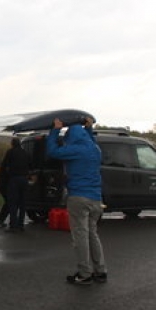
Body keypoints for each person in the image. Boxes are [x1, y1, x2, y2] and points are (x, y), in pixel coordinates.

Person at [46, 117, 107, 285]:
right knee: (92, 234)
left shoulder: (75, 149)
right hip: (96, 198)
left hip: (79, 197)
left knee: (80, 236)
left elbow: (53, 152)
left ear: (71, 136)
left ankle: (84, 274)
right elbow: (90, 139)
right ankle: (100, 271)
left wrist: (55, 130)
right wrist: (88, 128)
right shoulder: (95, 149)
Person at [0, 137, 31, 232]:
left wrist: (4, 178)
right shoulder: (26, 153)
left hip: (14, 180)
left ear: (12, 144)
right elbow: (31, 166)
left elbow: (4, 165)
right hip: (24, 180)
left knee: (13, 203)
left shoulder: (10, 152)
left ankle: (13, 225)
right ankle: (21, 225)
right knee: (22, 203)